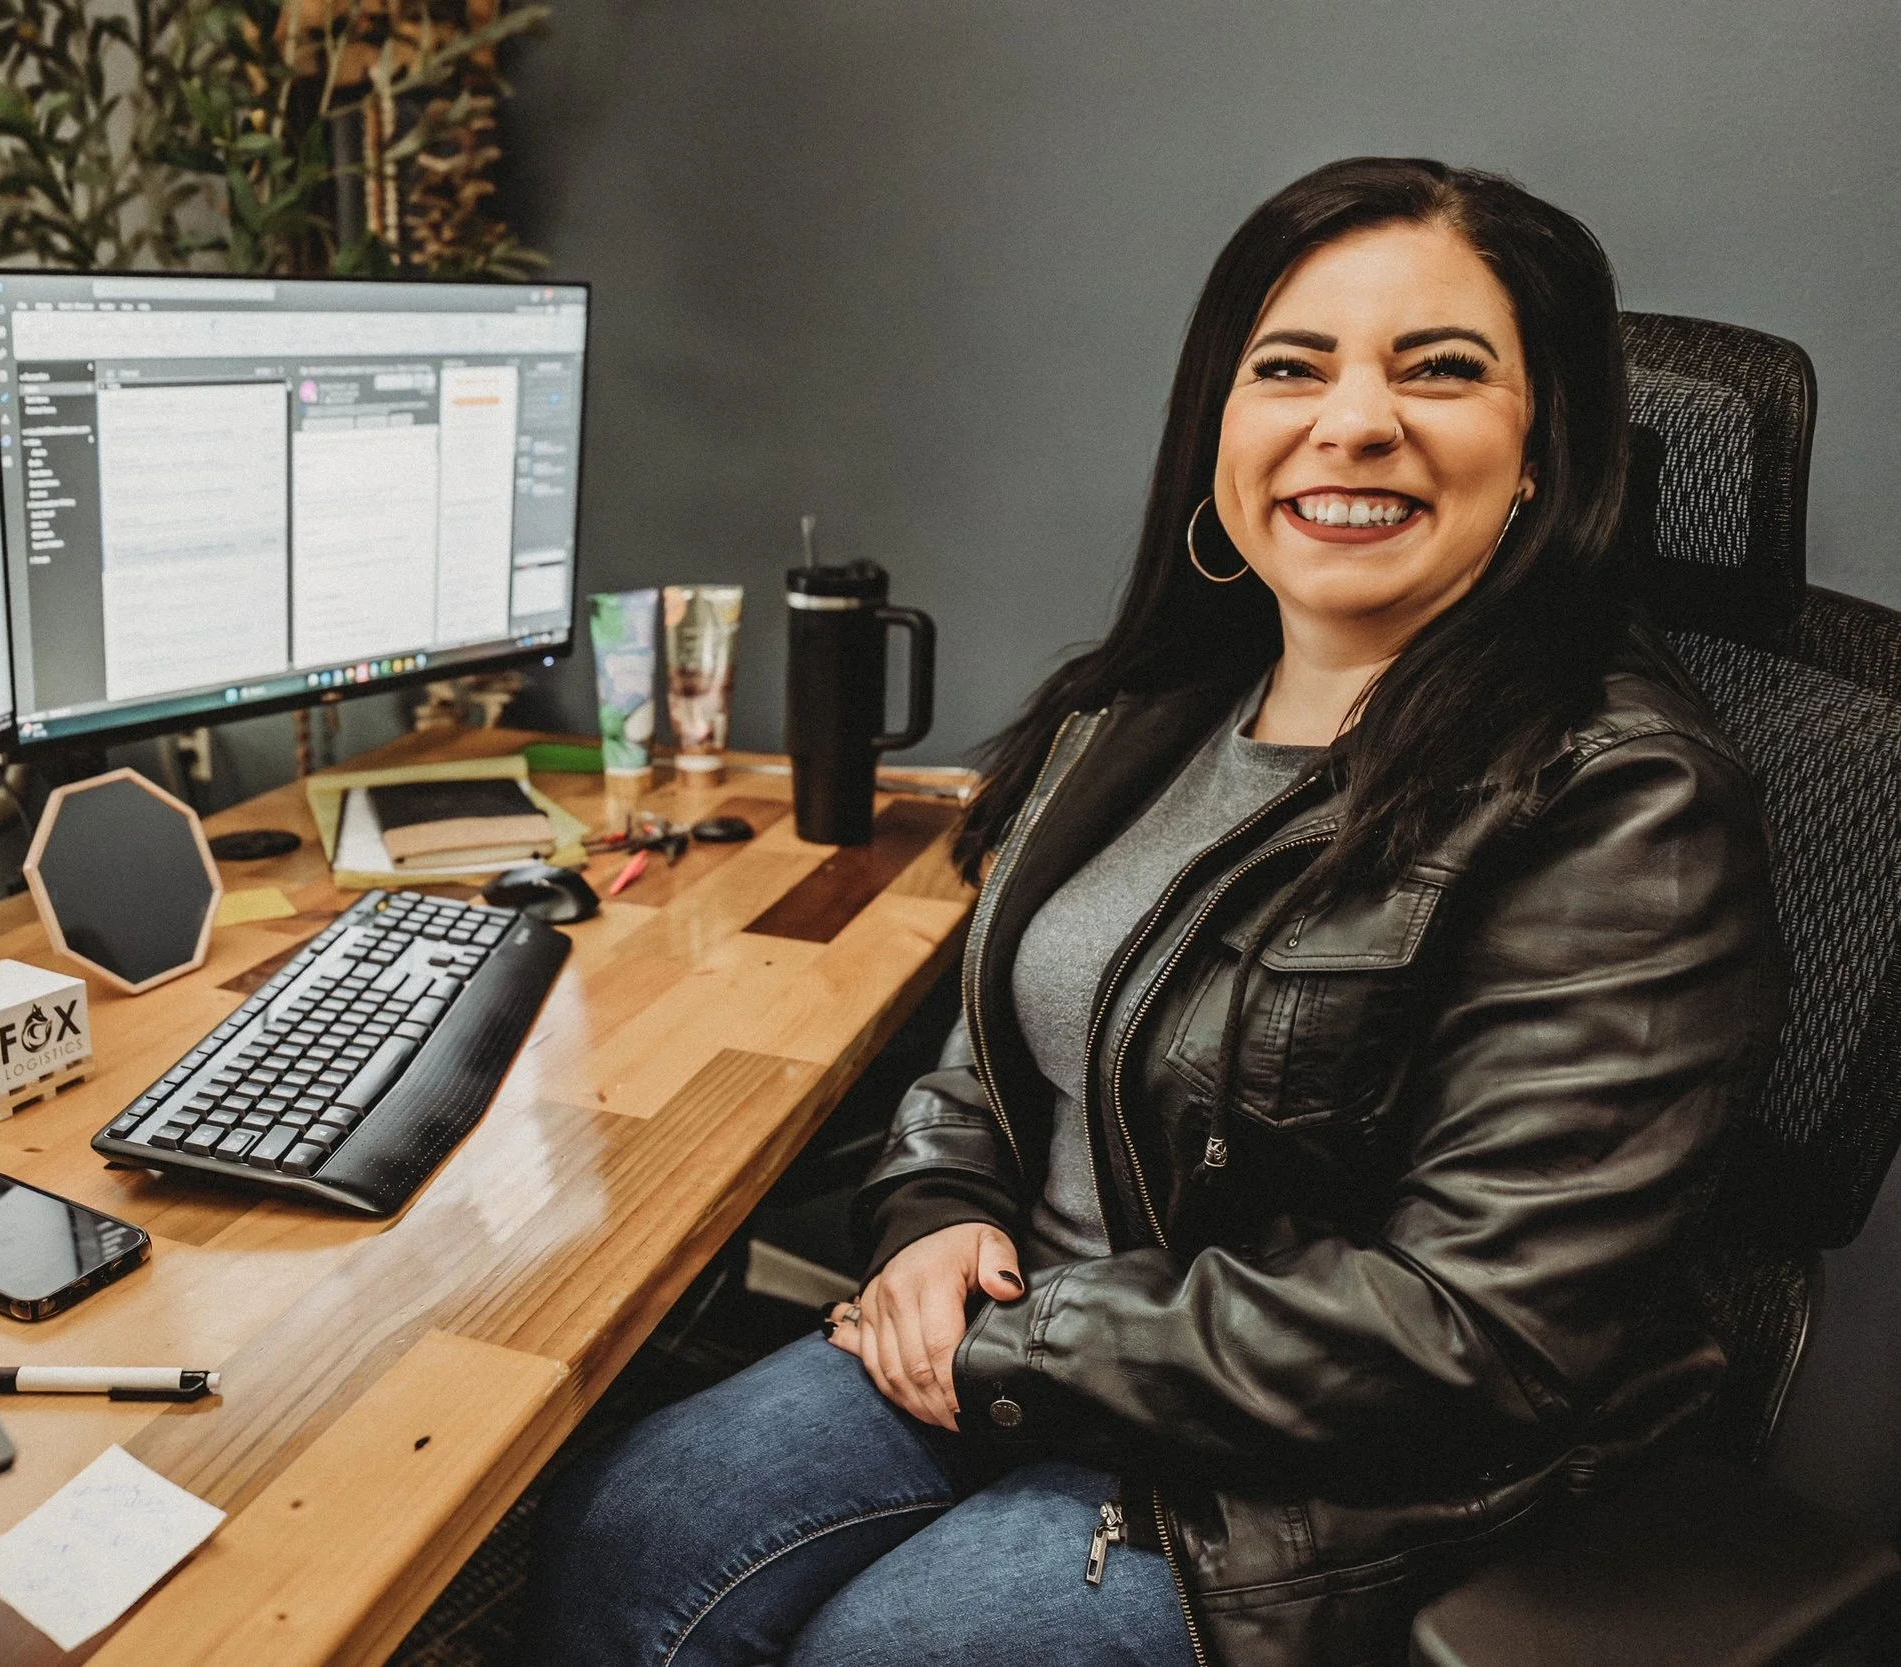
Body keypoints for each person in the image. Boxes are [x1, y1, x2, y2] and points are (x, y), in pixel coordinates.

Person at [522, 156, 1785, 1667]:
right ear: (1220, 426)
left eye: (1439, 371)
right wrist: (936, 1215)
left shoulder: (1619, 798)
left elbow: (1475, 1331)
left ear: (1540, 452)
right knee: (626, 1520)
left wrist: (1022, 1346)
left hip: (1325, 1475)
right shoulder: (1149, 704)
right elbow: (997, 1042)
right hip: (1029, 1341)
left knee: (885, 1651)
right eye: (1290, 367)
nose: (1354, 420)